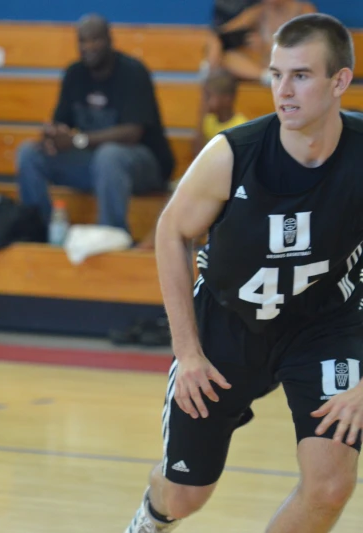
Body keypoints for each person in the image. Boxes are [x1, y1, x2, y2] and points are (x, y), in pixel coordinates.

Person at [125, 14, 363, 533]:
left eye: (300, 75)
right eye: (275, 74)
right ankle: (151, 516)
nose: (283, 90)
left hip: (322, 328)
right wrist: (187, 352)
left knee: (330, 485)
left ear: (339, 80)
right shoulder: (233, 154)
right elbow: (171, 233)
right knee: (186, 495)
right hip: (226, 330)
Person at [15, 14, 174, 233]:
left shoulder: (133, 72)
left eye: (95, 39)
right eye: (82, 41)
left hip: (143, 166)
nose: (88, 46)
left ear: (110, 40)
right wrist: (53, 134)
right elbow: (62, 123)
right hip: (94, 165)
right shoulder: (74, 74)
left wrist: (78, 140)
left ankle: (111, 235)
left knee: (109, 155)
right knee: (29, 153)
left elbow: (132, 133)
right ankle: (39, 230)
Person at [192, 68, 248, 155]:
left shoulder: (240, 126)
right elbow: (197, 153)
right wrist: (201, 117)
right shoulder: (208, 120)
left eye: (208, 96)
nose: (204, 102)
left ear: (227, 99)